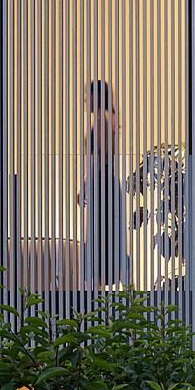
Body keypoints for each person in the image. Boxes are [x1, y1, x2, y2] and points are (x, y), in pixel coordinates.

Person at [79, 78, 131, 286]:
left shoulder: (103, 120)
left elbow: (102, 157)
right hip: (104, 183)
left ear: (98, 96)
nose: (85, 101)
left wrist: (86, 185)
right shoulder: (106, 119)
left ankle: (102, 289)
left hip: (104, 185)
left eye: (88, 96)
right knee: (103, 237)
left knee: (102, 238)